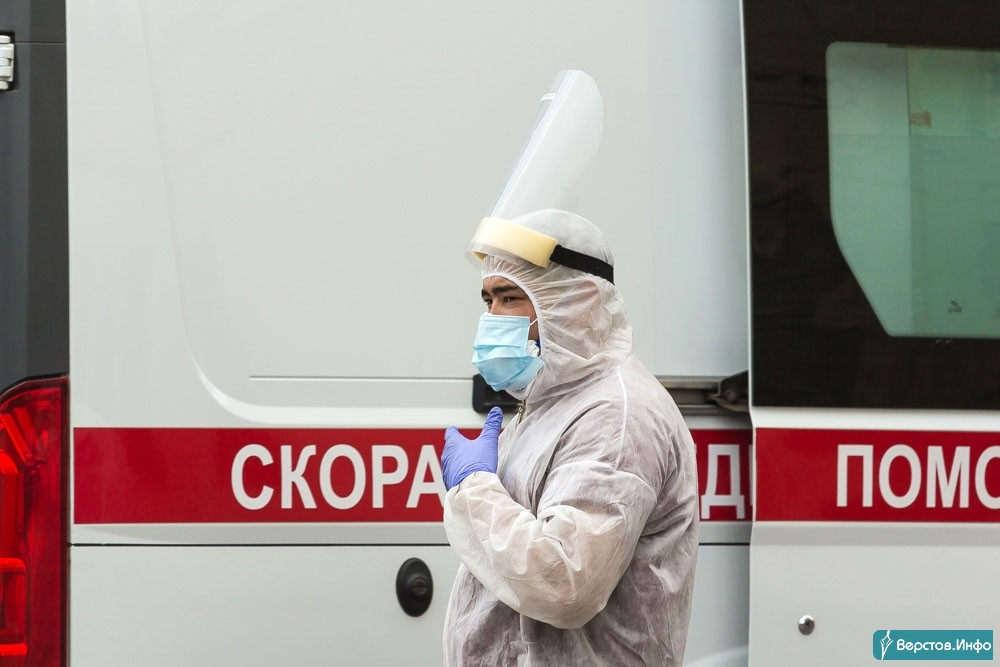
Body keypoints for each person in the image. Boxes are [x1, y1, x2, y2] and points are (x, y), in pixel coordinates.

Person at [441, 209, 699, 665]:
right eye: (487, 300)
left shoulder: (618, 415)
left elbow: (564, 583)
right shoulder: (557, 397)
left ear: (578, 302)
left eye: (509, 298)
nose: (492, 318)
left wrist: (475, 489)